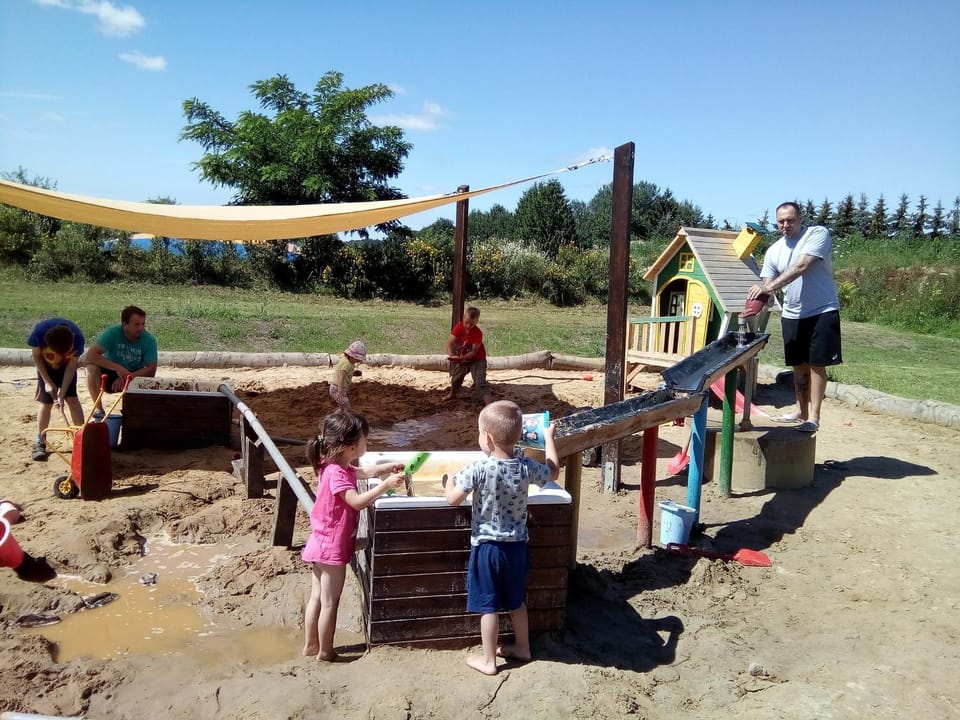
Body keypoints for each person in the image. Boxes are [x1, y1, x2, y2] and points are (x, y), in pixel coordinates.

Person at [444, 400, 560, 675]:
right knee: (517, 601)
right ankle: (523, 647)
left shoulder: (479, 468)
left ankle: (488, 661)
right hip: (517, 547)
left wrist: (449, 482)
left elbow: (452, 499)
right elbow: (554, 471)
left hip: (488, 548)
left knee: (489, 606)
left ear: (487, 438)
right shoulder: (525, 466)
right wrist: (549, 438)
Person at [301, 410, 405, 661]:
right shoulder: (338, 474)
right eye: (365, 441)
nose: (367, 445)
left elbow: (364, 472)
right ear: (350, 447)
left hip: (320, 541)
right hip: (332, 548)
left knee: (317, 598)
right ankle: (326, 651)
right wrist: (385, 486)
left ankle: (310, 646)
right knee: (330, 602)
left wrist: (387, 468)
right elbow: (356, 502)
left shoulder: (332, 464)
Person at [747, 201, 842, 433]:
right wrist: (758, 299)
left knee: (816, 364)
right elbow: (767, 282)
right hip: (792, 313)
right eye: (781, 221)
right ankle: (801, 410)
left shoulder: (817, 234)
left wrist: (769, 288)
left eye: (790, 220)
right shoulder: (774, 250)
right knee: (798, 365)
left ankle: (814, 417)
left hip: (822, 310)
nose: (786, 225)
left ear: (800, 219)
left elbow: (802, 265)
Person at [27, 318, 85, 460]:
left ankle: (82, 438)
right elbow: (36, 356)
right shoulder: (39, 333)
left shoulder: (78, 338)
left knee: (72, 399)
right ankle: (40, 440)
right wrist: (47, 382)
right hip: (46, 367)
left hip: (67, 369)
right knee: (46, 403)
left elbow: (72, 366)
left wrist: (62, 393)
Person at [84, 305, 158, 415]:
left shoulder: (149, 340)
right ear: (124, 324)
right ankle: (98, 409)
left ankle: (132, 412)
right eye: (137, 324)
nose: (141, 328)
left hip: (135, 375)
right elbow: (90, 356)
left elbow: (151, 370)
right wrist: (119, 369)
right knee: (91, 368)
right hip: (111, 372)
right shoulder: (112, 333)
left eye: (143, 324)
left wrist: (127, 376)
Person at [444, 306, 493, 405]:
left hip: (477, 359)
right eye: (466, 322)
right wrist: (452, 355)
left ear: (476, 322)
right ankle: (452, 394)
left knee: (480, 383)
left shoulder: (477, 333)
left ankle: (489, 404)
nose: (468, 326)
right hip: (463, 358)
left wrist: (460, 358)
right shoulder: (459, 327)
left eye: (471, 324)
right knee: (456, 378)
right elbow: (449, 343)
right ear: (463, 318)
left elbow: (474, 352)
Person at [329, 340, 366, 409]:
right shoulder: (347, 364)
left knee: (342, 407)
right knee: (346, 406)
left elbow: (345, 372)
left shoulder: (349, 361)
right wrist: (339, 392)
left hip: (339, 388)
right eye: (357, 359)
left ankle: (340, 414)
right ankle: (345, 414)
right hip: (336, 389)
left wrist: (353, 373)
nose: (358, 361)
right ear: (351, 356)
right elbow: (341, 377)